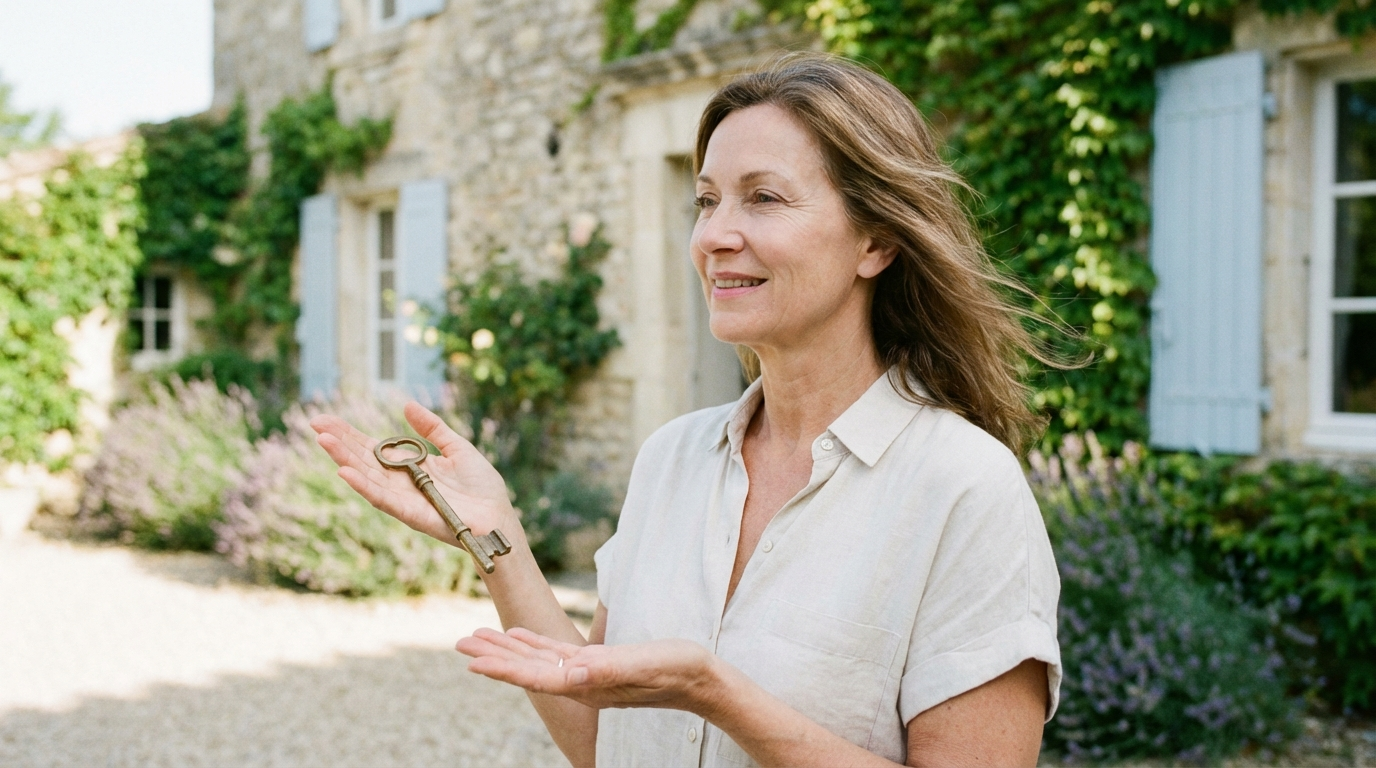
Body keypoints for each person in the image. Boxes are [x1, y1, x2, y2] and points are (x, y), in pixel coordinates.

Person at [312, 52, 1062, 768]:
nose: (713, 237)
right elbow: (604, 745)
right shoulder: (671, 459)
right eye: (706, 201)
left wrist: (716, 694)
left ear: (877, 242)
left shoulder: (964, 488)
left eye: (764, 198)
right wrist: (497, 540)